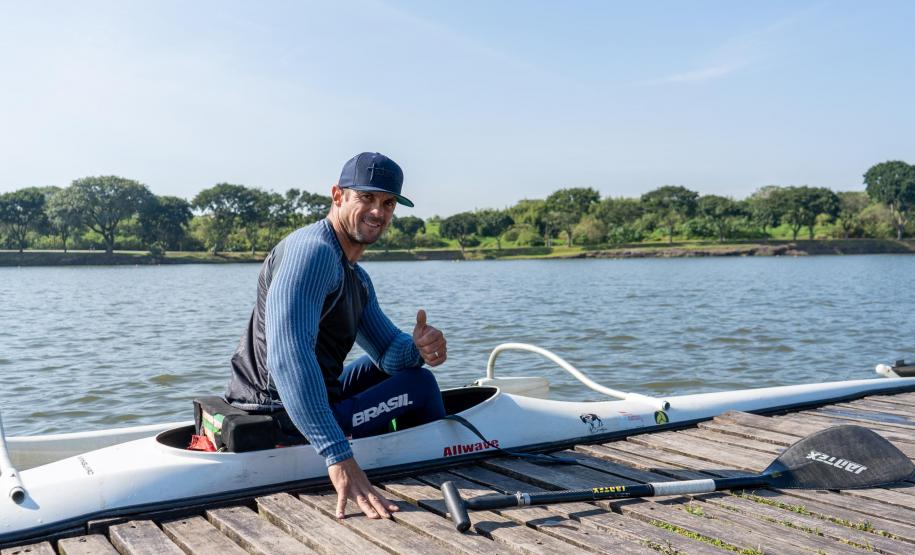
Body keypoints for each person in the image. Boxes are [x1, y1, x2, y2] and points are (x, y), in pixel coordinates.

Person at [224, 152, 447, 520]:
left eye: (388, 203)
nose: (379, 212)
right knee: (420, 386)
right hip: (278, 414)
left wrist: (419, 347)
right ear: (338, 195)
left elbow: (389, 352)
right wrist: (337, 455)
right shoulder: (312, 254)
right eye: (367, 198)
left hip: (300, 400)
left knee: (393, 370)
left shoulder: (355, 276)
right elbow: (288, 358)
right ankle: (434, 468)